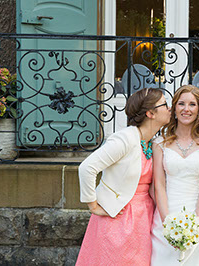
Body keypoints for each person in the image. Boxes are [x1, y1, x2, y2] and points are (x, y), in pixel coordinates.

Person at [76, 88, 171, 265]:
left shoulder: (151, 142)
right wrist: (94, 205)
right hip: (119, 218)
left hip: (144, 216)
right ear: (151, 113)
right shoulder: (124, 139)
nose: (170, 108)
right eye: (165, 104)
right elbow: (87, 168)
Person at [151, 85, 199, 265]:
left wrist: (195, 223)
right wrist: (168, 224)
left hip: (198, 213)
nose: (186, 109)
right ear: (174, 108)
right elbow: (159, 185)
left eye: (192, 104)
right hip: (166, 211)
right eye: (181, 104)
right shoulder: (160, 142)